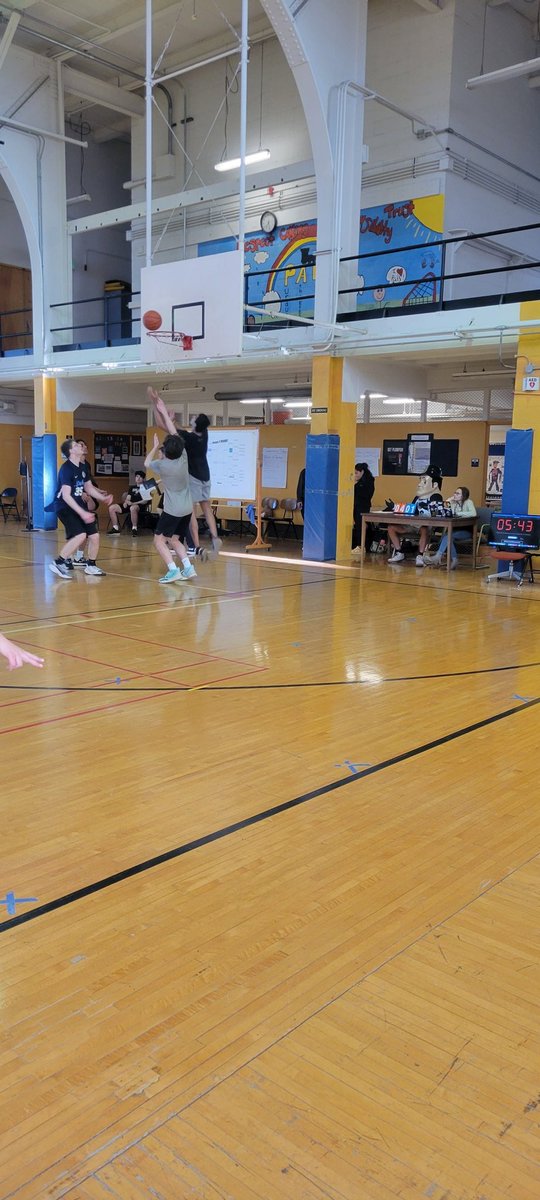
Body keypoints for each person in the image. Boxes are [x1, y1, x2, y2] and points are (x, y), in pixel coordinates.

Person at [148, 387, 222, 559]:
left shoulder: (187, 440)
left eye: (194, 418)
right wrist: (174, 422)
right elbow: (180, 429)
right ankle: (215, 536)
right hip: (206, 476)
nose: (192, 418)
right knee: (207, 507)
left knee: (191, 513)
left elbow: (164, 426)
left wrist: (159, 408)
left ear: (195, 425)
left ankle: (195, 546)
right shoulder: (203, 434)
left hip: (194, 477)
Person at [48, 439, 112, 579]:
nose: (80, 446)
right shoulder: (66, 469)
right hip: (64, 506)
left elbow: (88, 487)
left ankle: (91, 565)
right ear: (71, 451)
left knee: (94, 536)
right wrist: (82, 512)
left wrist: (102, 498)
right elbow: (65, 496)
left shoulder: (83, 466)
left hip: (78, 505)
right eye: (76, 445)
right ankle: (58, 562)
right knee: (81, 535)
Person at [144, 432, 197, 583]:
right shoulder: (184, 459)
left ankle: (173, 570)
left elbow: (147, 463)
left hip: (173, 510)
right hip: (187, 509)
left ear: (165, 451)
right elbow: (175, 433)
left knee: (159, 541)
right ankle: (188, 568)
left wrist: (154, 447)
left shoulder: (162, 465)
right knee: (174, 540)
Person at [387, 465, 444, 567]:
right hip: (412, 525)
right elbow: (411, 510)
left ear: (435, 484)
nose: (419, 484)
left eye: (424, 481)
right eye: (420, 480)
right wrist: (394, 508)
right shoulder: (417, 497)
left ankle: (420, 556)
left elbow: (436, 514)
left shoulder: (436, 497)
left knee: (424, 529)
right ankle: (400, 552)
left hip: (425, 526)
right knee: (391, 527)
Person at [71, 440, 110, 567]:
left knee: (87, 531)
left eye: (84, 444)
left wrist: (99, 492)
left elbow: (88, 484)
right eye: (81, 445)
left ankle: (79, 557)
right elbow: (69, 484)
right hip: (74, 500)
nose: (85, 446)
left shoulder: (85, 465)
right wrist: (80, 493)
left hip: (86, 498)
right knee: (81, 531)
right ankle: (69, 557)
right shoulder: (71, 464)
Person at [424, 486, 477, 569]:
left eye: (457, 493)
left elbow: (473, 513)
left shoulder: (468, 502)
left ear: (463, 496)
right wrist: (449, 500)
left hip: (466, 531)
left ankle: (439, 556)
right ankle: (454, 560)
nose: (455, 495)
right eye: (454, 493)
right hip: (453, 530)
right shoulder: (453, 503)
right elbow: (445, 510)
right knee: (448, 538)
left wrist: (459, 513)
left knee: (448, 537)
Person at [107, 471, 150, 536]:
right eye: (137, 476)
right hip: (130, 504)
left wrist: (134, 503)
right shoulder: (132, 488)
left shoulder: (146, 487)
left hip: (139, 506)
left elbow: (145, 501)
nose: (138, 478)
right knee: (112, 507)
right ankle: (115, 528)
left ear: (143, 479)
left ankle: (134, 528)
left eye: (140, 477)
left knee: (133, 508)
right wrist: (126, 502)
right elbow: (128, 497)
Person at [351, 462, 375, 554]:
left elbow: (366, 495)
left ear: (362, 472)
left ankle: (361, 546)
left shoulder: (367, 482)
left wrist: (355, 485)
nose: (355, 475)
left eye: (356, 473)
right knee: (358, 526)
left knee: (361, 526)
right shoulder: (360, 483)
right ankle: (361, 545)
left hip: (362, 507)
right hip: (357, 505)